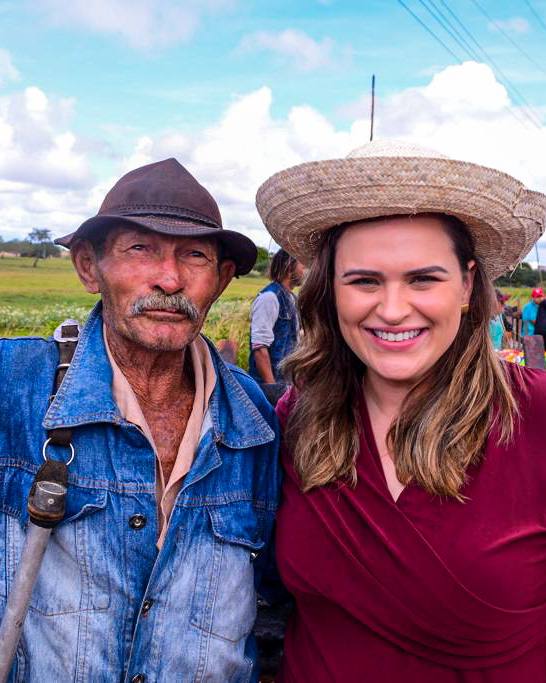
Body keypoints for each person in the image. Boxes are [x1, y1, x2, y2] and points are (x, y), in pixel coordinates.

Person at [255, 140, 546, 682]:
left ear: (466, 284)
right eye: (364, 280)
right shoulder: (296, 420)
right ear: (330, 291)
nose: (391, 309)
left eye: (422, 279)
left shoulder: (536, 416)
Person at [0, 158, 280, 681]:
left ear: (219, 280)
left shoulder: (254, 420)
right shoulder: (15, 386)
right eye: (140, 249)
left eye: (194, 256)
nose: (170, 279)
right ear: (89, 267)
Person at [248, 249, 304, 403]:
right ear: (288, 266)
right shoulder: (269, 298)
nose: (304, 270)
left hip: (285, 385)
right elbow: (260, 347)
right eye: (302, 265)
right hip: (268, 390)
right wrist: (273, 390)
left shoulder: (292, 298)